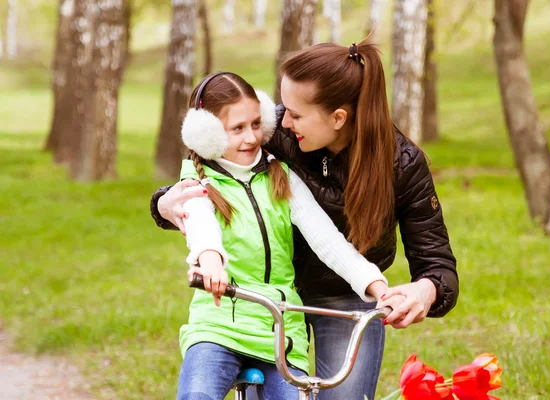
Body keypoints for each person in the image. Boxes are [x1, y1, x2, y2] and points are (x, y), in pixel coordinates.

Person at [150, 38, 459, 400]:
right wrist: (164, 205)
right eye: (281, 109)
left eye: (295, 114)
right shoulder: (274, 132)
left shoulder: (402, 165)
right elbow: (215, 178)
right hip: (264, 299)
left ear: (338, 118)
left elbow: (437, 263)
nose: (280, 121)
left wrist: (425, 289)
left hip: (347, 294)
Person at [175, 71, 397, 400]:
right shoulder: (196, 182)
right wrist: (211, 262)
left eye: (255, 124)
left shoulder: (280, 174)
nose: (251, 138)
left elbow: (327, 239)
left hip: (279, 333)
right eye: (237, 129)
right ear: (206, 134)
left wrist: (377, 287)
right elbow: (200, 225)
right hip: (218, 329)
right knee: (198, 395)